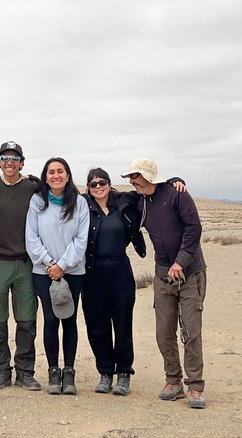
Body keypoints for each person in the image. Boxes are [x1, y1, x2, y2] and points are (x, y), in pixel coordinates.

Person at [81, 169, 185, 396]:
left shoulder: (125, 199)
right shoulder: (82, 205)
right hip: (91, 271)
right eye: (92, 184)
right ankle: (105, 372)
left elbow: (151, 190)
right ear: (88, 187)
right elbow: (57, 191)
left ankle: (124, 373)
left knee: (122, 323)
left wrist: (174, 182)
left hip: (119, 269)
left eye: (102, 182)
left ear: (109, 184)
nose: (98, 187)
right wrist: (34, 180)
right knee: (97, 326)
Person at [122, 158, 207, 409]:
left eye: (134, 177)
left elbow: (194, 228)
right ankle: (173, 380)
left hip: (190, 273)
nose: (131, 181)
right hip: (162, 276)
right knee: (163, 332)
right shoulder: (141, 202)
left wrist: (180, 262)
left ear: (148, 177)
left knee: (191, 331)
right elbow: (113, 195)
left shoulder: (178, 195)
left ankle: (196, 386)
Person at [0, 142, 41, 391]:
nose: (9, 163)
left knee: (27, 320)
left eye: (14, 159)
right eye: (5, 158)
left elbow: (64, 194)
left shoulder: (34, 188)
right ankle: (1, 370)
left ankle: (25, 371)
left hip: (26, 263)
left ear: (22, 162)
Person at [25, 157, 89, 395]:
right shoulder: (37, 201)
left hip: (73, 272)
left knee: (69, 319)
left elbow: (81, 240)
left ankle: (69, 371)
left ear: (68, 175)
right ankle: (53, 371)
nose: (56, 176)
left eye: (60, 171)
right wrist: (50, 264)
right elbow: (31, 237)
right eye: (51, 172)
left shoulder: (79, 202)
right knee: (51, 320)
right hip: (43, 271)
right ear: (45, 176)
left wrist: (62, 265)